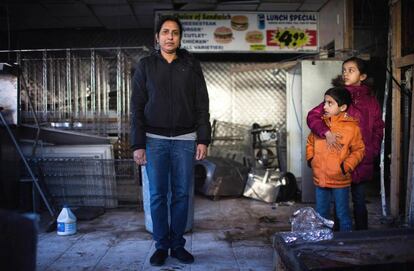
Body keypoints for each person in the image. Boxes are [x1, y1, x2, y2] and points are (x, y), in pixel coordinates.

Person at [130, 15, 211, 266]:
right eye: (165, 32)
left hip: (185, 140)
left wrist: (203, 139)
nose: (170, 37)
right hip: (154, 140)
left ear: (180, 37)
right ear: (157, 37)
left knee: (181, 195)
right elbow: (137, 108)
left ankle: (177, 245)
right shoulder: (145, 66)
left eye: (175, 32)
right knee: (156, 195)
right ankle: (160, 246)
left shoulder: (191, 65)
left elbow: (202, 105)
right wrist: (138, 144)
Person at [307, 57, 384, 230]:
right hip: (337, 160)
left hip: (361, 158)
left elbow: (378, 128)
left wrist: (372, 150)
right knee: (337, 202)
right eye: (344, 70)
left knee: (359, 200)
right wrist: (325, 133)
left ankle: (361, 237)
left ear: (362, 76)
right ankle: (335, 237)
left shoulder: (371, 101)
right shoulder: (338, 96)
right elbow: (313, 116)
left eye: (351, 70)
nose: (345, 73)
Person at [306, 86, 365, 231]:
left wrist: (346, 166)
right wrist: (311, 159)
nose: (324, 106)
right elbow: (310, 143)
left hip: (340, 180)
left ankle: (345, 245)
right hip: (320, 178)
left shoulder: (352, 128)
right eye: (324, 102)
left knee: (342, 214)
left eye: (330, 103)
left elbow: (359, 150)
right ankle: (323, 243)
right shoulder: (320, 124)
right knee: (321, 214)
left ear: (343, 107)